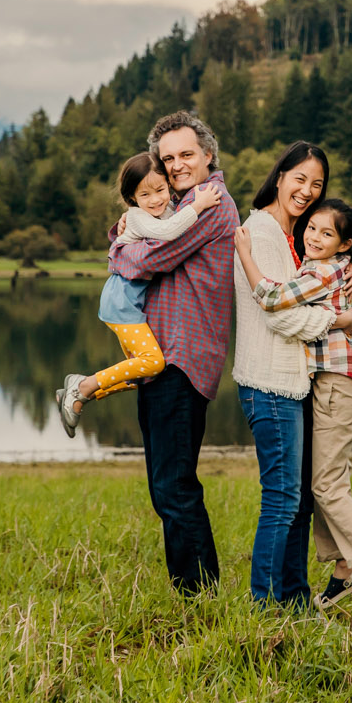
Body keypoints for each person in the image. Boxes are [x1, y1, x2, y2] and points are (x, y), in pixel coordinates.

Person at [235, 197, 352, 610]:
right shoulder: (331, 267)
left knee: (326, 484)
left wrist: (244, 253)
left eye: (326, 233)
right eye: (311, 227)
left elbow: (273, 300)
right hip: (337, 382)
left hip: (337, 382)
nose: (314, 236)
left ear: (343, 244)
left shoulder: (318, 270)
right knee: (323, 478)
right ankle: (346, 571)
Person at [105, 112, 240, 594]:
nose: (178, 165)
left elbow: (150, 260)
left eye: (186, 154)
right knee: (165, 483)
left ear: (208, 155)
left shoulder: (213, 206)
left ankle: (200, 596)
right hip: (163, 360)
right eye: (168, 159)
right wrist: (127, 238)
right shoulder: (173, 209)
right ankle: (194, 591)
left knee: (175, 485)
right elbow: (138, 253)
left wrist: (120, 248)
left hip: (183, 360)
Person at [230, 142, 352, 607]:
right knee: (282, 500)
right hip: (269, 384)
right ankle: (264, 605)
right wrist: (340, 321)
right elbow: (279, 318)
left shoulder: (298, 234)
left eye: (317, 184)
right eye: (299, 179)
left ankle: (296, 600)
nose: (307, 191)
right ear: (280, 176)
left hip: (294, 382)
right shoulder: (262, 233)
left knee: (300, 501)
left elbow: (322, 281)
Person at [54, 152, 224, 437]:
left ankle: (77, 393)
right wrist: (200, 205)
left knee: (142, 374)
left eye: (159, 190)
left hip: (128, 300)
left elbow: (171, 217)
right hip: (121, 301)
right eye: (145, 195)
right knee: (153, 363)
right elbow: (170, 231)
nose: (155, 199)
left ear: (168, 185)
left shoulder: (165, 207)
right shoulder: (136, 217)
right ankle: (83, 386)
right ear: (132, 199)